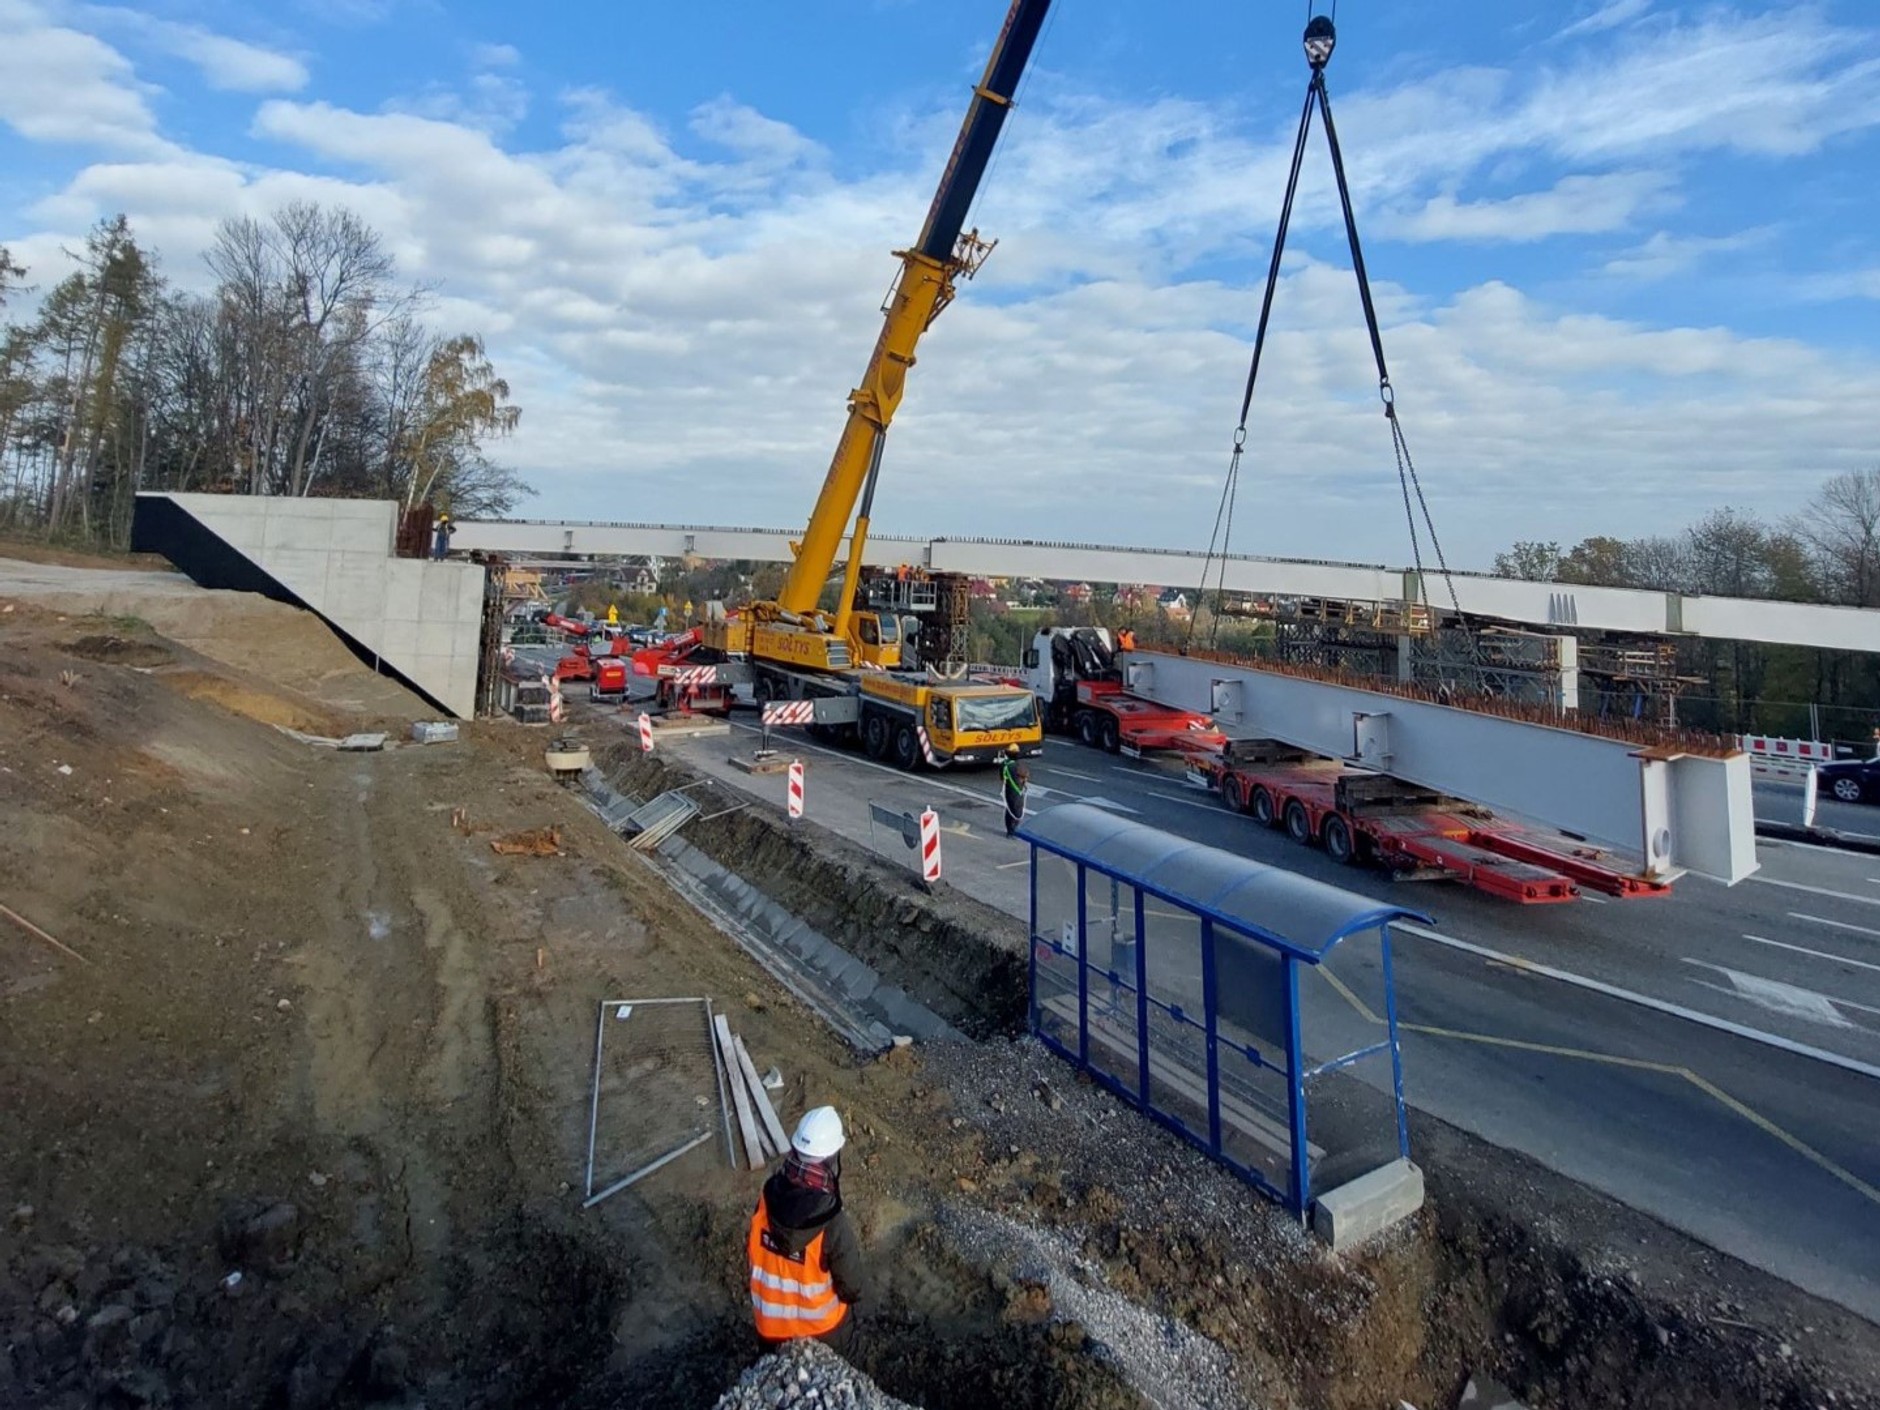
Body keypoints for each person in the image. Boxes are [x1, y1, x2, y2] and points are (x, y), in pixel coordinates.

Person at [747, 1106, 867, 1356]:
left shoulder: (766, 1199)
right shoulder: (831, 1220)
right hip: (824, 1331)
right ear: (832, 1158)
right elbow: (852, 1286)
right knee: (851, 1351)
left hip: (769, 1329)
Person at [1001, 745, 1029, 836]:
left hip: (1008, 790)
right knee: (1017, 811)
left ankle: (1009, 830)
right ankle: (1013, 830)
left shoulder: (1004, 764)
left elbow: (1002, 777)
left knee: (1009, 810)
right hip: (1018, 791)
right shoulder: (1019, 765)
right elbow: (1025, 776)